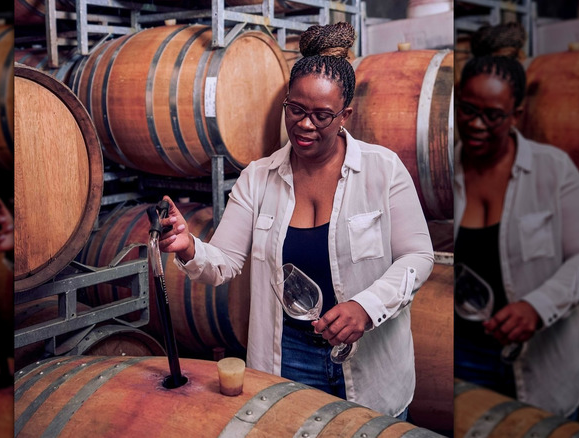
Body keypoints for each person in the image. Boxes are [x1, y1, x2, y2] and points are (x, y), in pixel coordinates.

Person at [157, 22, 434, 419]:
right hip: (289, 356)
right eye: (297, 110)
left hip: (372, 358)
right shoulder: (258, 177)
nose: (305, 124)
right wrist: (189, 247)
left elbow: (419, 257)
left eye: (321, 115)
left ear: (346, 115)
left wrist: (365, 307)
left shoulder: (383, 170)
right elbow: (223, 262)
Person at [453, 55, 579, 418]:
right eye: (468, 109)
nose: (476, 123)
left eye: (492, 115)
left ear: (516, 115)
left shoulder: (553, 170)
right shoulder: (443, 169)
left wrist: (538, 306)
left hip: (540, 355)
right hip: (463, 357)